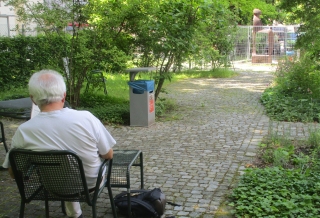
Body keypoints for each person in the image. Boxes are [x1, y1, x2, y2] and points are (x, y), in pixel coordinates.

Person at [2, 69, 116, 218]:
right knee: (74, 167)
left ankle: (75, 214)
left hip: (52, 188)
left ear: (33, 99)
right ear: (64, 96)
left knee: (62, 171)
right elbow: (108, 154)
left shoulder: (24, 131)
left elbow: (13, 173)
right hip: (90, 186)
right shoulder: (86, 118)